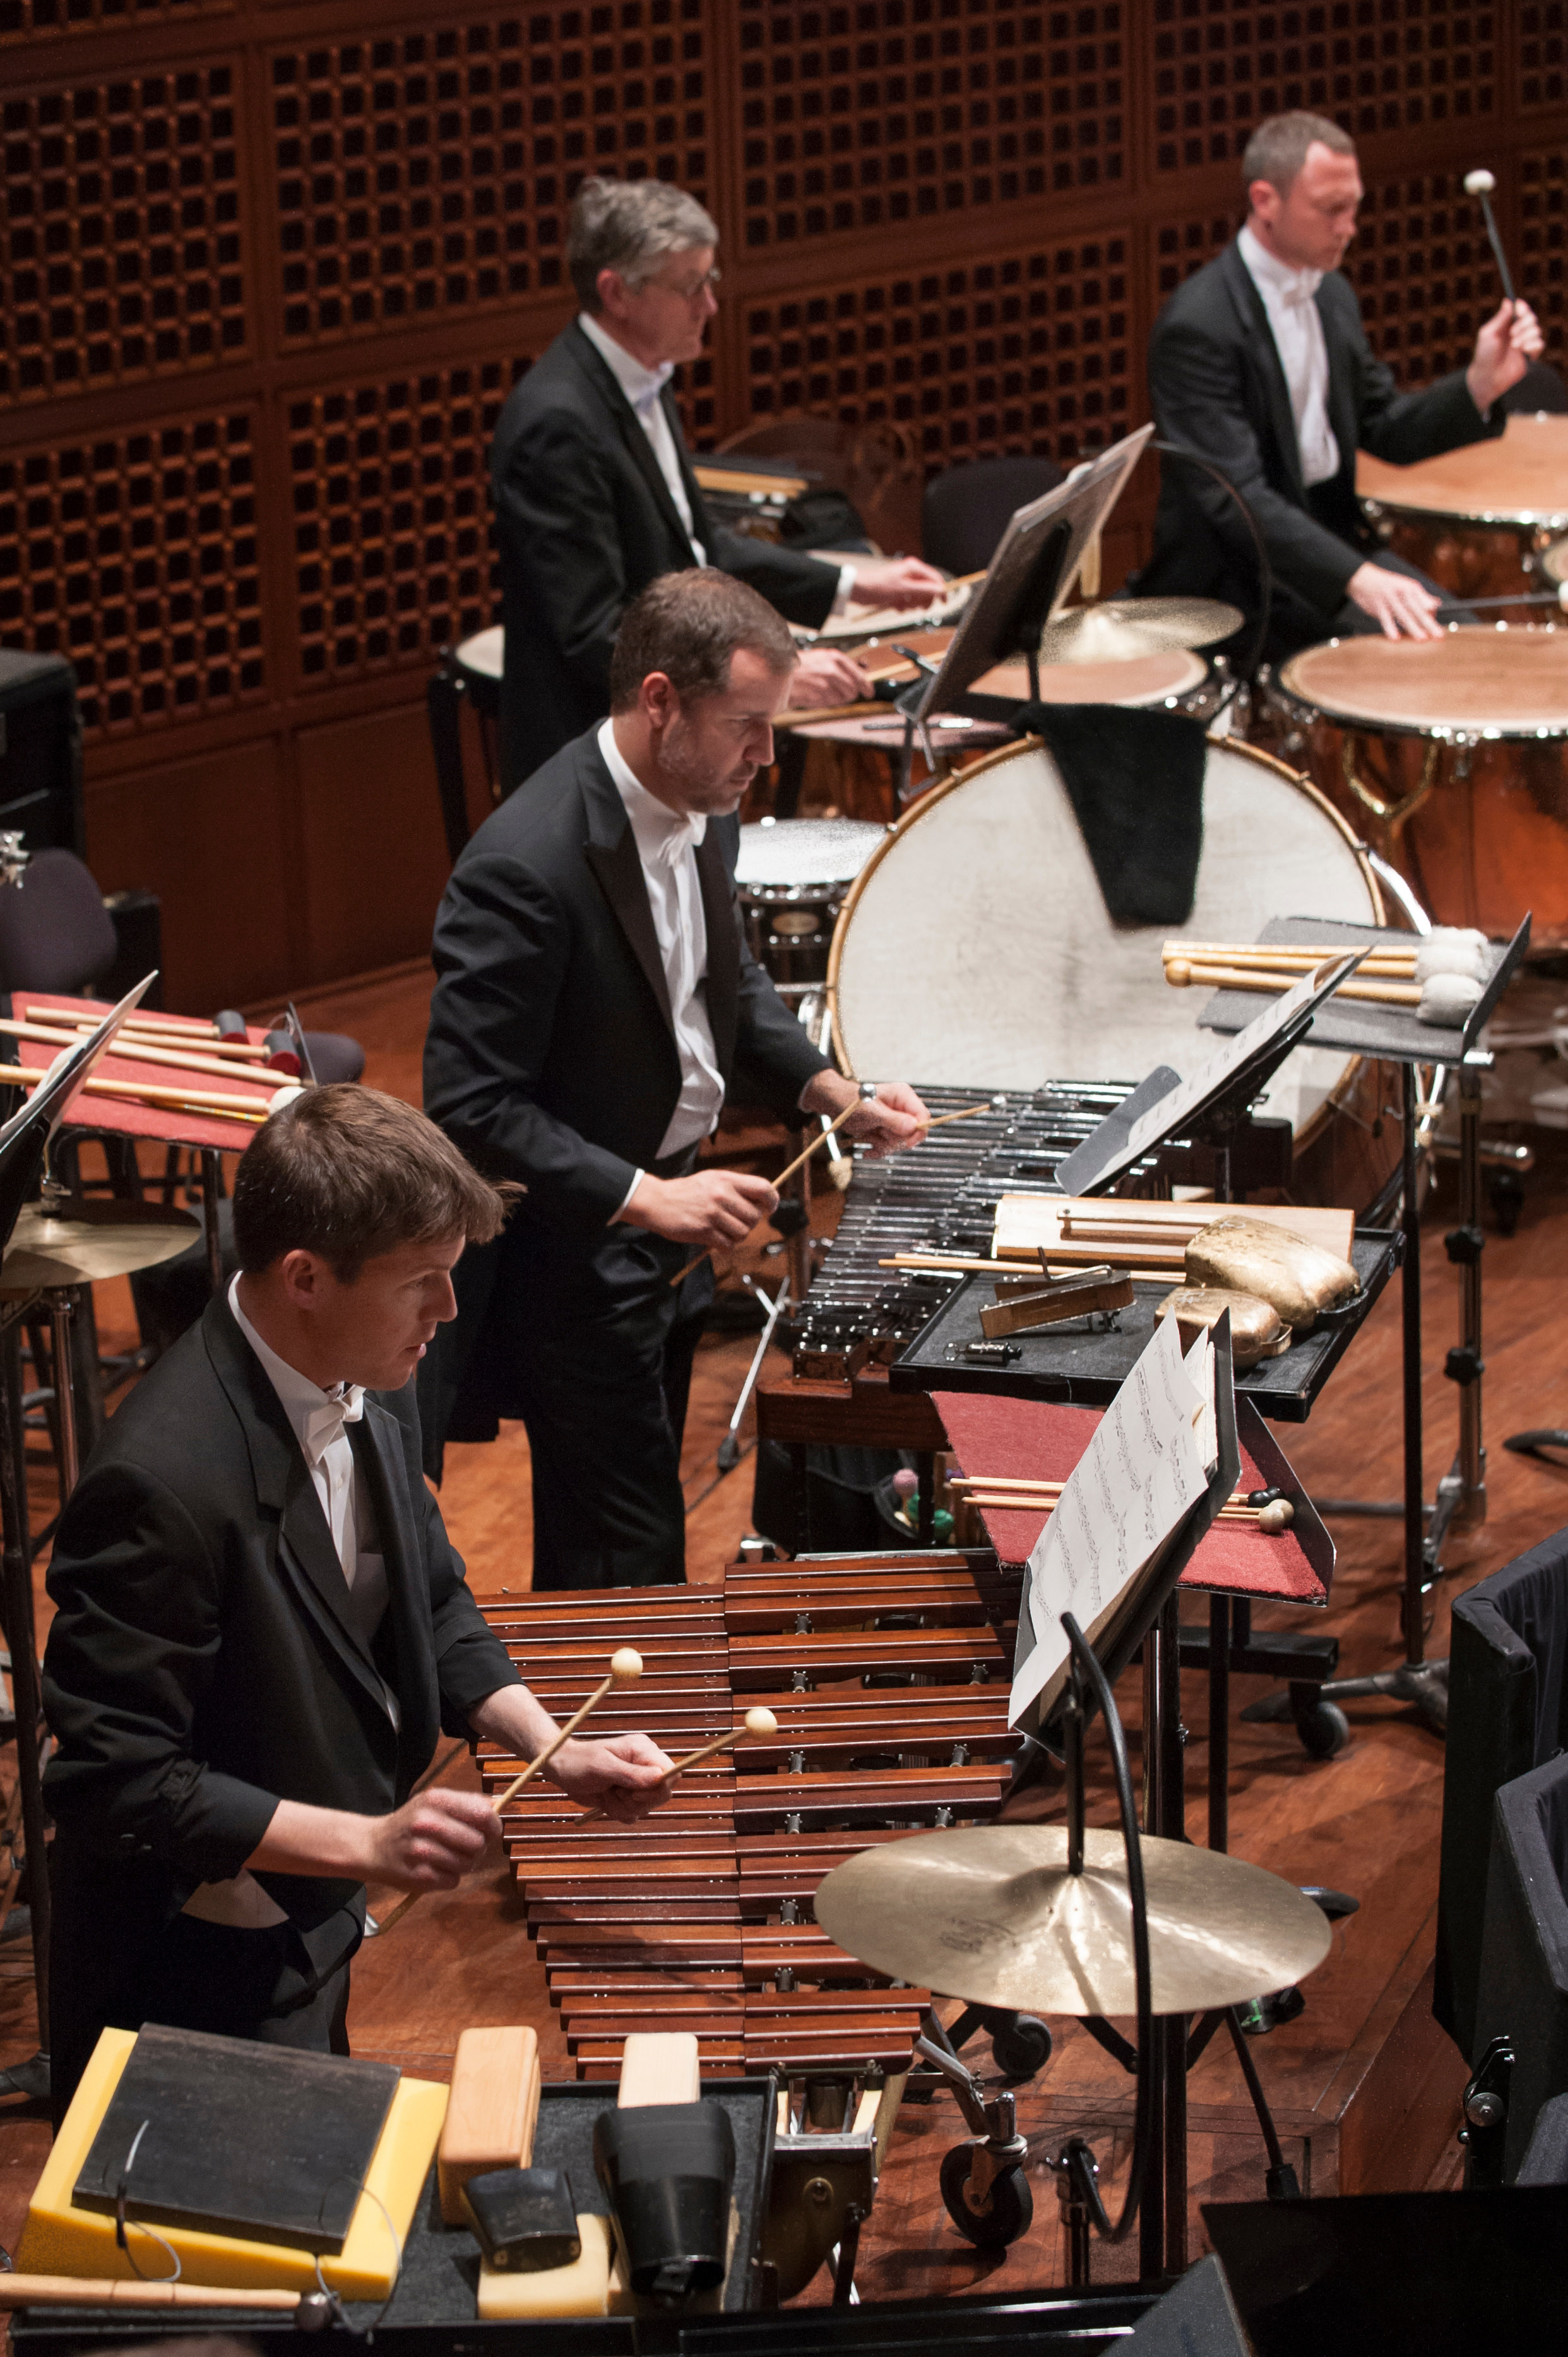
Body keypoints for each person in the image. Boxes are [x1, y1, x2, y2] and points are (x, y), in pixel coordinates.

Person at [42, 1086, 674, 2124]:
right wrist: (369, 1844)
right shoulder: (157, 1485)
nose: (449, 1312)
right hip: (188, 1976)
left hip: (310, 1922)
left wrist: (549, 1744)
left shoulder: (363, 1366)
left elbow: (423, 1589)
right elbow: (118, 1781)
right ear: (305, 1278)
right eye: (421, 1282)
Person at [422, 567, 931, 1589]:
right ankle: (613, 1735)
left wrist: (831, 1090)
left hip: (666, 1228)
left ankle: (597, 1724)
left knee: (603, 1542)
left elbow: (722, 978)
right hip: (575, 1251)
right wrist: (650, 1195)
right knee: (631, 1542)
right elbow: (468, 1106)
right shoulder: (525, 866)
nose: (766, 754)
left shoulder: (704, 798)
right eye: (747, 725)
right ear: (660, 701)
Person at [490, 176, 946, 791]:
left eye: (712, 280)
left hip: (668, 749)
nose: (708, 305)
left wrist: (855, 583)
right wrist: (766, 682)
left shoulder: (644, 380)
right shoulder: (557, 426)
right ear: (616, 293)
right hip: (601, 769)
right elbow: (597, 635)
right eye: (690, 286)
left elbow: (700, 554)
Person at [1133, 110, 1543, 660]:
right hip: (1238, 587)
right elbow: (1235, 500)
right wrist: (1357, 577)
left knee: (1468, 652)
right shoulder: (1198, 326)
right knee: (1414, 667)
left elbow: (1383, 430)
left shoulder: (1332, 297)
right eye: (1331, 210)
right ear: (1264, 201)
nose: (1349, 227)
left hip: (1331, 551)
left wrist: (1478, 386)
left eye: (1354, 207)